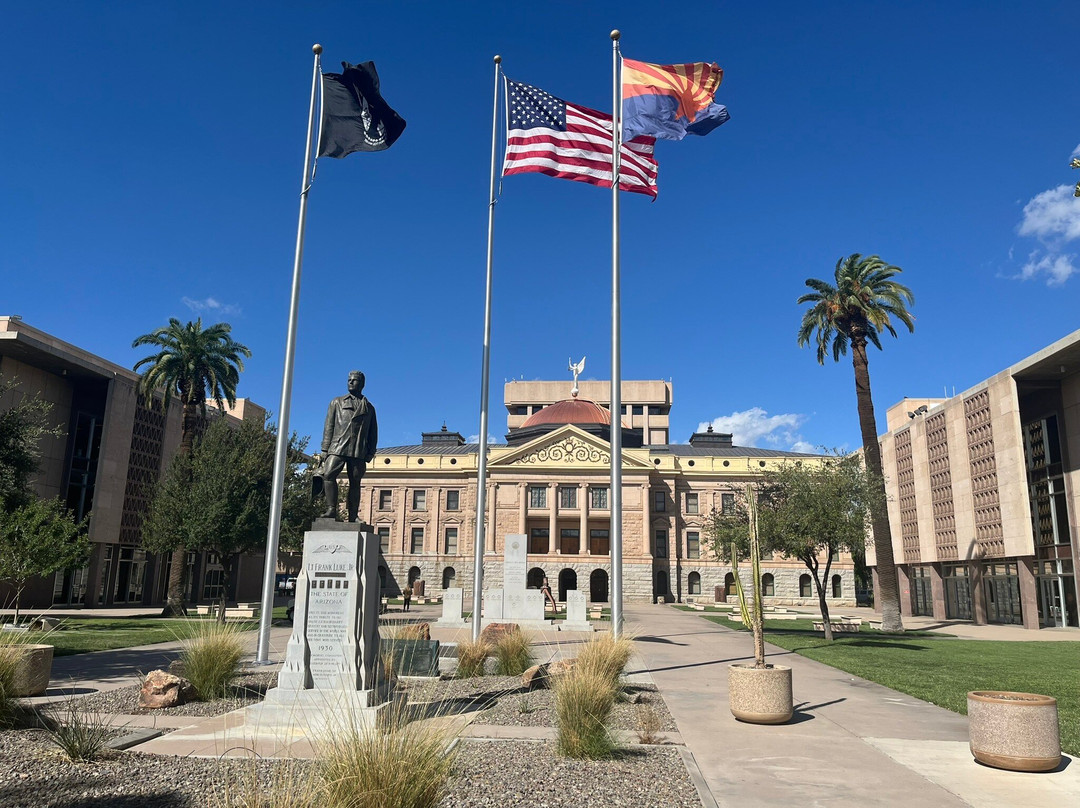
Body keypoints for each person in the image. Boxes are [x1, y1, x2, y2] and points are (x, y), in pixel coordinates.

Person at [318, 370, 378, 522]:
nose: (350, 382)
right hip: (337, 446)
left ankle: (353, 515)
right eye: (349, 380)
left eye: (355, 380)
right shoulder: (337, 402)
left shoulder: (369, 408)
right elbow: (328, 426)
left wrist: (370, 452)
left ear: (362, 384)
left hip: (358, 449)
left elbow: (373, 432)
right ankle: (331, 510)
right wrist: (325, 449)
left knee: (355, 482)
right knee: (328, 474)